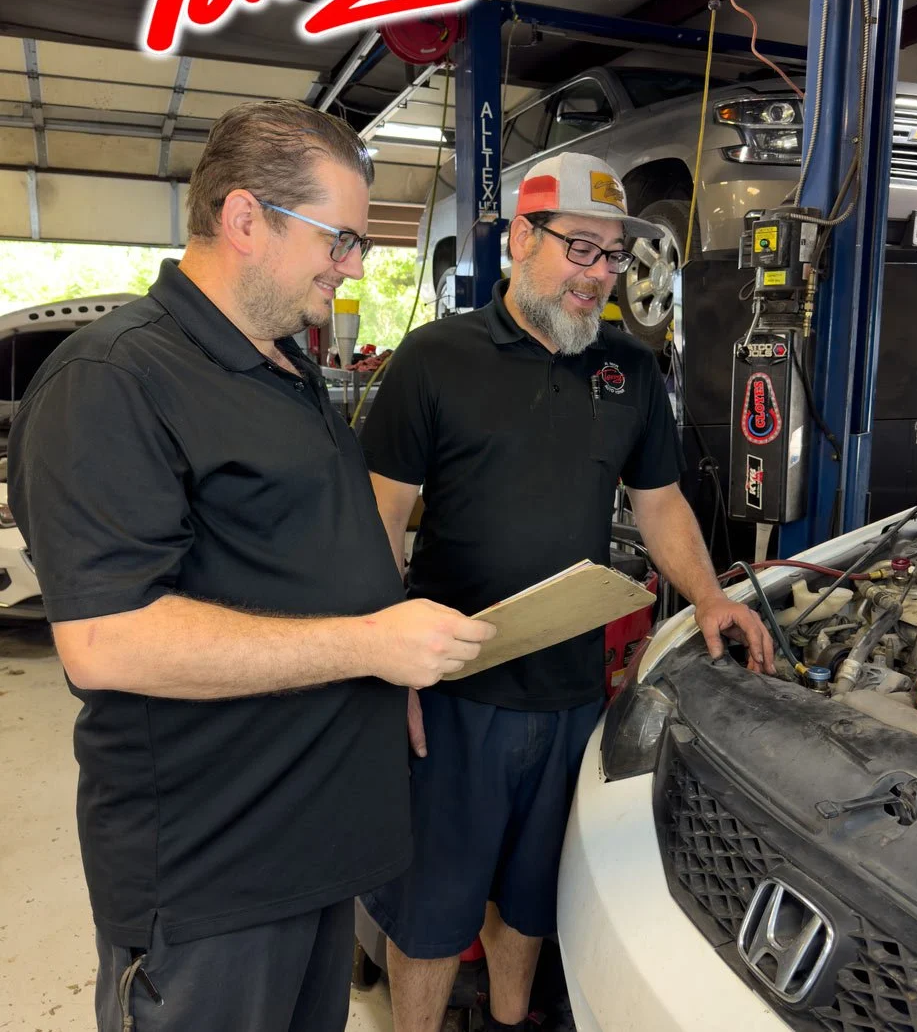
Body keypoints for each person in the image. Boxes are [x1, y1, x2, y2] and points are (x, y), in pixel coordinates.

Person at [6, 100, 494, 1032]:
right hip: (210, 884)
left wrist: (386, 670)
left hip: (313, 856)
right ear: (243, 220)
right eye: (340, 239)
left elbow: (299, 559)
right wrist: (367, 643)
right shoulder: (112, 381)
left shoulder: (282, 367)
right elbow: (107, 640)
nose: (353, 268)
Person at [358, 151, 774, 1032]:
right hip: (454, 694)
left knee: (534, 895)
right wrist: (377, 657)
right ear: (520, 238)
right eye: (579, 249)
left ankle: (511, 1022)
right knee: (432, 910)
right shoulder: (435, 360)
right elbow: (376, 521)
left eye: (613, 255)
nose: (597, 276)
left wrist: (708, 596)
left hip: (571, 697)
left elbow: (658, 506)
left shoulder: (627, 370)